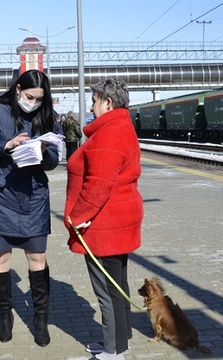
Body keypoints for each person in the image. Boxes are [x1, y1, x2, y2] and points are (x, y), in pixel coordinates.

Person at [0, 69, 60, 347]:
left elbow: (54, 159)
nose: (33, 102)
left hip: (33, 196)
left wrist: (44, 153)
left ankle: (40, 321)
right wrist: (6, 145)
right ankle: (5, 318)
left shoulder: (48, 114)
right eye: (30, 96)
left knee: (37, 259)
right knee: (1, 260)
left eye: (39, 99)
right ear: (18, 89)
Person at [63, 79, 143, 360]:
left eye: (95, 101)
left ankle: (112, 351)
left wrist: (77, 217)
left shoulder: (110, 132)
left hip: (103, 224)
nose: (91, 106)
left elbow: (97, 185)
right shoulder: (122, 127)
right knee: (118, 285)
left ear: (108, 102)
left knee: (107, 290)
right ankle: (120, 342)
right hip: (119, 219)